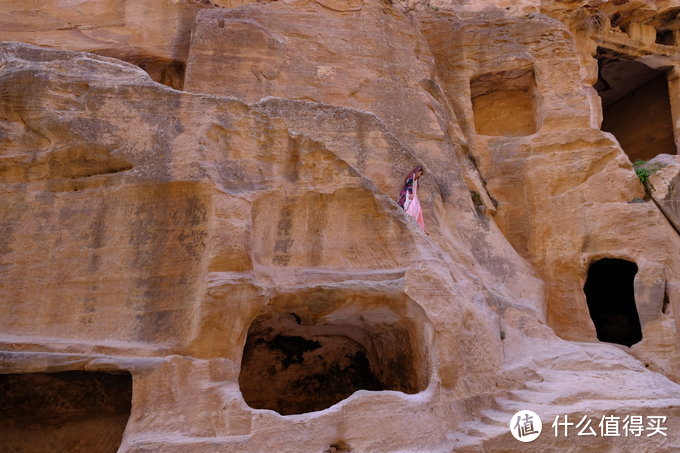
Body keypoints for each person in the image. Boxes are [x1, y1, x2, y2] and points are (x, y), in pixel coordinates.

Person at [397, 165, 425, 230]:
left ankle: (418, 225)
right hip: (409, 194)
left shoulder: (415, 178)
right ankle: (409, 221)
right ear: (418, 171)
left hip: (414, 195)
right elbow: (409, 185)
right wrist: (411, 193)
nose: (420, 176)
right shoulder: (412, 176)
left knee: (417, 208)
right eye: (420, 174)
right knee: (411, 207)